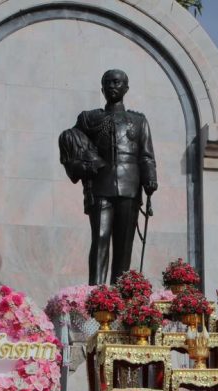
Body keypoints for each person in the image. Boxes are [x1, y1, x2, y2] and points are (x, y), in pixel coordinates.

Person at [59, 69, 157, 285]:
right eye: (108, 83)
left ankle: (119, 294)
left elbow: (146, 155)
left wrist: (150, 178)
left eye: (117, 82)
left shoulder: (139, 121)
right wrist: (83, 164)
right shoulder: (90, 119)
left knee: (123, 245)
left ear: (126, 88)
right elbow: (71, 140)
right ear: (102, 88)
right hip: (101, 185)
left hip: (130, 187)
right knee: (100, 238)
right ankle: (95, 293)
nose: (112, 86)